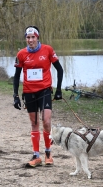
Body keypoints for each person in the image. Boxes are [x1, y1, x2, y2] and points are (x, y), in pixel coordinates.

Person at [13, 26, 63, 167]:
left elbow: (59, 69)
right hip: (29, 92)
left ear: (37, 37)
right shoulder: (21, 54)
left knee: (46, 121)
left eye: (33, 37)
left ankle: (48, 152)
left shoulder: (47, 50)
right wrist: (15, 96)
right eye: (28, 38)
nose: (30, 40)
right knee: (34, 124)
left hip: (45, 90)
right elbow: (16, 77)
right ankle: (36, 155)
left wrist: (58, 90)